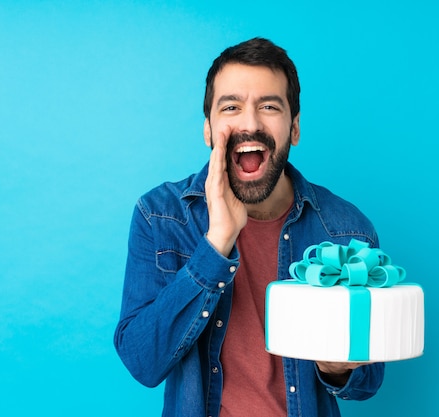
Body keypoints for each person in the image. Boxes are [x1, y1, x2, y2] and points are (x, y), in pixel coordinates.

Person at [114, 37, 384, 417]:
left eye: (269, 106)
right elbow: (143, 361)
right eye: (231, 106)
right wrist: (217, 243)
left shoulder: (347, 230)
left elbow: (368, 381)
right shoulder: (159, 217)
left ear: (294, 128)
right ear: (208, 129)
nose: (250, 123)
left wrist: (337, 368)